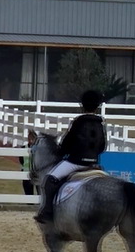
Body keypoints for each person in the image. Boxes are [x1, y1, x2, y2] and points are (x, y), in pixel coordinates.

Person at [34, 90, 107, 224]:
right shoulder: (101, 123)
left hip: (76, 162)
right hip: (94, 163)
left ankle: (48, 212)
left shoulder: (78, 122)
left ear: (82, 105)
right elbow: (103, 146)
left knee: (49, 180)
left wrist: (62, 152)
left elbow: (67, 143)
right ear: (97, 106)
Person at [19, 130, 39, 195]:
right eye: (30, 139)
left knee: (40, 191)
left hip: (37, 173)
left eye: (32, 139)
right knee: (28, 192)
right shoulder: (23, 148)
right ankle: (30, 204)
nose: (31, 141)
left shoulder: (40, 149)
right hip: (26, 172)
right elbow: (21, 160)